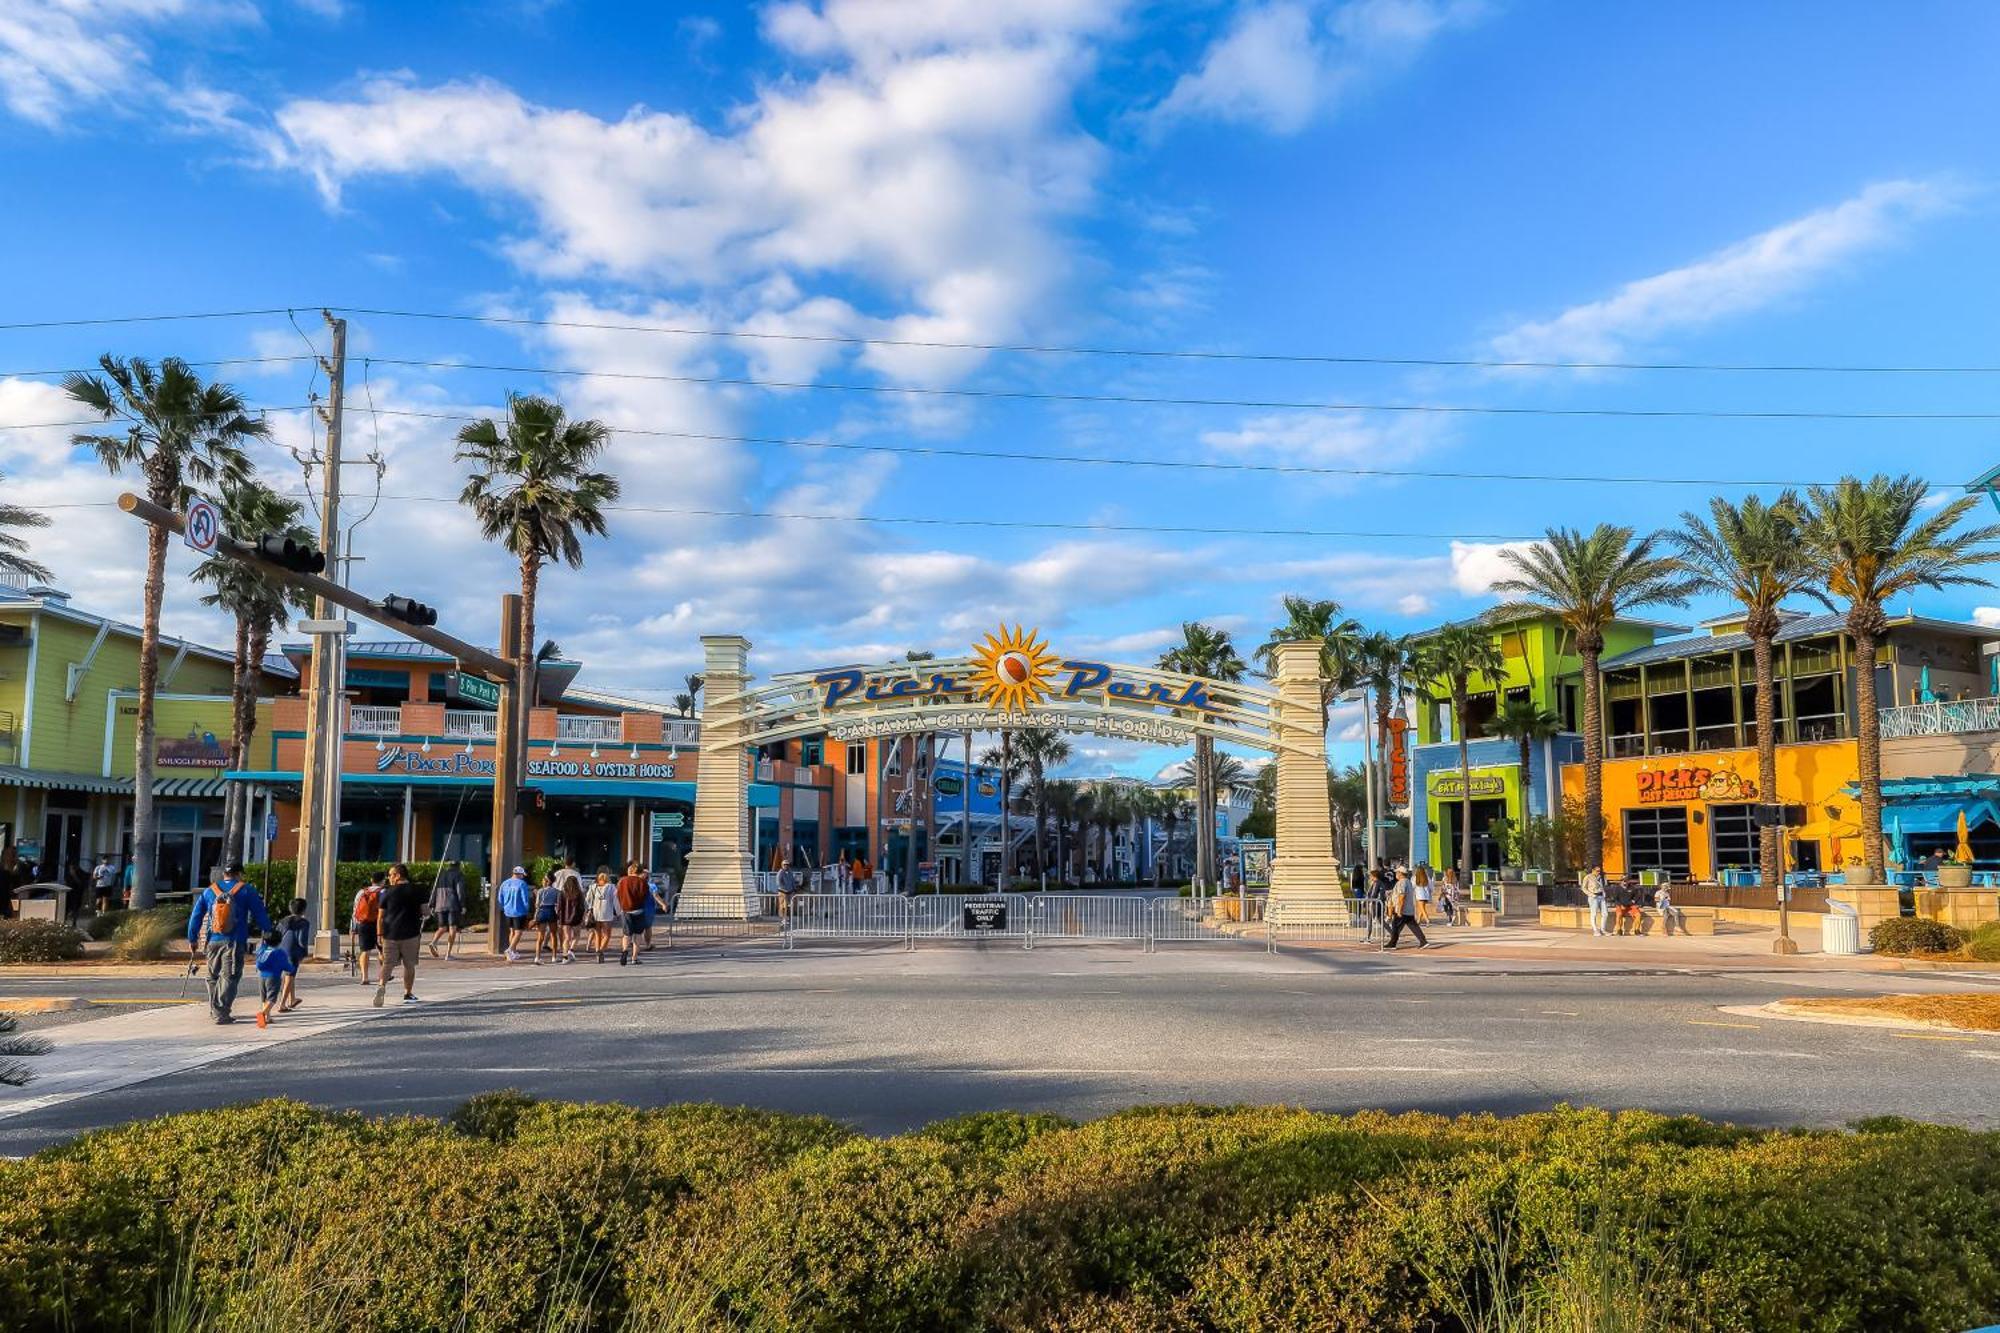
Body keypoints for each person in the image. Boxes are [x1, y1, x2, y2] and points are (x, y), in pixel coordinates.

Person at [185, 862, 273, 1025]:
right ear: (239, 874)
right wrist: (268, 931)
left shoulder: (209, 891)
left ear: (224, 874)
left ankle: (215, 1009)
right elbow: (259, 913)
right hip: (234, 941)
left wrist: (192, 939)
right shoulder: (246, 890)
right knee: (230, 976)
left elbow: (196, 916)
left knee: (213, 976)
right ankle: (220, 1012)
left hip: (212, 941)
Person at [373, 863, 426, 1006]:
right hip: (411, 933)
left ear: (397, 875)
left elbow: (380, 916)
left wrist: (379, 934)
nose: (389, 878)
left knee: (387, 964)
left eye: (390, 875)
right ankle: (407, 993)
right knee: (409, 965)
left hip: (389, 934)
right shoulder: (417, 890)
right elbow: (425, 911)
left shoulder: (387, 892)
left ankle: (381, 986)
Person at [1381, 864, 1431, 951]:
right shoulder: (1408, 881)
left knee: (1395, 925)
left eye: (1397, 872)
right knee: (1413, 926)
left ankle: (1392, 943)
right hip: (1409, 909)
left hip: (1402, 909)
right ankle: (1423, 941)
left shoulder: (1402, 882)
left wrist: (1399, 909)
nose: (1396, 874)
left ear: (1400, 873)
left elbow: (1401, 896)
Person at [253, 929, 295, 1029]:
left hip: (261, 976)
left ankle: (267, 1018)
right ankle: (263, 1014)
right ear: (280, 941)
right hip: (273, 977)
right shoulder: (279, 952)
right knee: (272, 998)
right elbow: (286, 966)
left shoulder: (262, 950)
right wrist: (291, 968)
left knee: (264, 998)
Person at [278, 896, 312, 1012]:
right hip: (293, 951)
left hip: (281, 949)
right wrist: (304, 952)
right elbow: (302, 940)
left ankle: (292, 999)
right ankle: (282, 1004)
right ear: (303, 910)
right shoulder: (303, 922)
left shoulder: (283, 921)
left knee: (288, 975)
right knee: (290, 976)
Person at [427, 860, 467, 960]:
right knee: (452, 929)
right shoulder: (459, 875)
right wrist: (462, 905)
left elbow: (435, 889)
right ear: (458, 866)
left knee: (442, 927)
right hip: (452, 905)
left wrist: (432, 904)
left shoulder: (441, 874)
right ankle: (448, 954)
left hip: (439, 904)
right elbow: (460, 890)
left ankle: (434, 942)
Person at [350, 872, 385, 984]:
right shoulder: (383, 892)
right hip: (379, 923)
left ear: (371, 880)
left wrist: (353, 927)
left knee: (365, 950)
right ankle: (384, 974)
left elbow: (355, 910)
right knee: (382, 950)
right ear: (383, 881)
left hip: (363, 924)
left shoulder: (362, 892)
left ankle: (364, 977)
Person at [616, 861, 650, 965]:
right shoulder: (642, 882)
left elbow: (618, 895)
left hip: (626, 910)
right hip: (639, 910)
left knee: (626, 934)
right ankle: (634, 958)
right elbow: (645, 896)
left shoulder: (622, 881)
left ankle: (624, 951)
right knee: (638, 934)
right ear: (640, 871)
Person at [498, 865, 534, 962]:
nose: (523, 877)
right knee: (519, 932)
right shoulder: (522, 884)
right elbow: (525, 899)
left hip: (507, 911)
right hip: (519, 911)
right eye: (522, 875)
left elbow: (500, 898)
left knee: (512, 932)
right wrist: (528, 911)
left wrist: (504, 906)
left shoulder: (504, 883)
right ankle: (510, 950)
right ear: (520, 874)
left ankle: (512, 952)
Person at [586, 866, 618, 962]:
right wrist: (618, 911)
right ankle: (601, 950)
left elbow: (587, 900)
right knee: (607, 934)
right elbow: (616, 900)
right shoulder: (611, 887)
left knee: (597, 934)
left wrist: (589, 909)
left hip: (595, 913)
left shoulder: (593, 887)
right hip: (607, 913)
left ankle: (597, 951)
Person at [554, 868, 586, 962]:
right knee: (576, 935)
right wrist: (583, 917)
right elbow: (582, 906)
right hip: (576, 917)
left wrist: (558, 917)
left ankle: (565, 956)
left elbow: (559, 907)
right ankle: (571, 950)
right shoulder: (579, 893)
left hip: (565, 918)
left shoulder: (562, 893)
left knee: (567, 938)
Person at [1583, 866, 1609, 937]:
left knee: (1605, 913)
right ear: (1593, 870)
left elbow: (1602, 886)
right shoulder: (1588, 877)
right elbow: (1583, 888)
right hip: (1593, 897)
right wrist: (1591, 894)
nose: (1598, 872)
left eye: (1599, 871)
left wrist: (1604, 893)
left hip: (1601, 896)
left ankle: (1603, 929)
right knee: (1594, 914)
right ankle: (1595, 930)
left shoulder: (1601, 877)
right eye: (1597, 871)